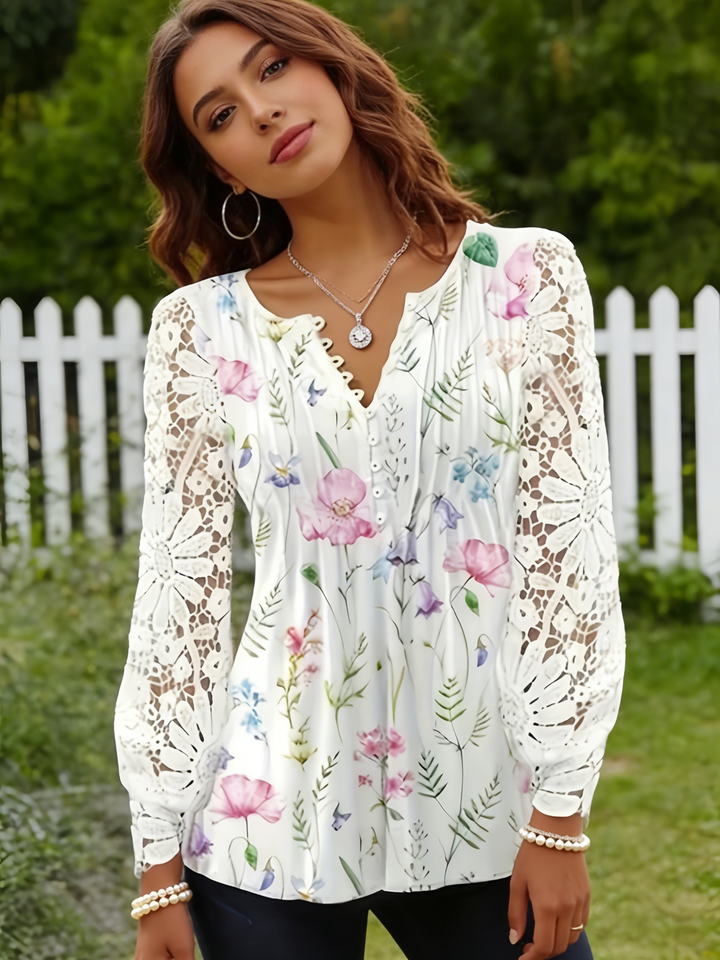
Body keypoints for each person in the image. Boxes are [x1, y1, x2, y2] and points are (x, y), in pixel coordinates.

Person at [113, 1, 627, 958]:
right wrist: (156, 866)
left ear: (334, 68)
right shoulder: (200, 331)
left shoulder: (524, 277)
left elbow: (571, 554)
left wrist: (560, 812)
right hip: (269, 822)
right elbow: (178, 596)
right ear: (222, 170)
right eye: (219, 115)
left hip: (486, 803)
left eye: (272, 68)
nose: (260, 110)